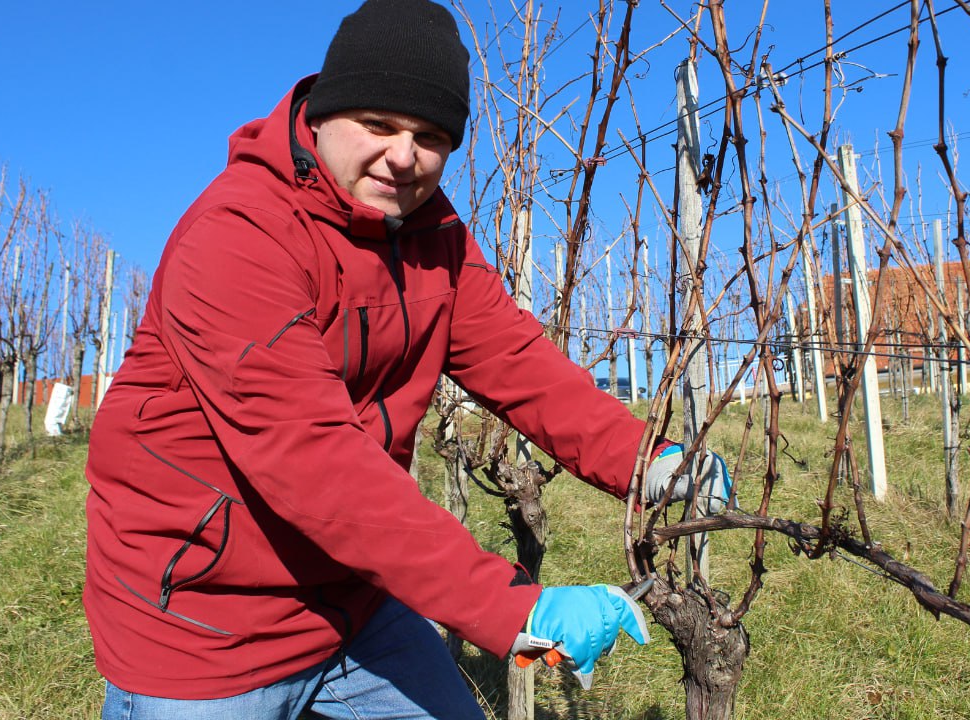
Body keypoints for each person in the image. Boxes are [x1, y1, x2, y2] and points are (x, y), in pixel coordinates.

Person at [83, 1, 729, 718]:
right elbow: (313, 461)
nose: (403, 155)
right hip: (205, 624)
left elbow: (520, 365)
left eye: (429, 136)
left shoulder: (433, 236)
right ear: (323, 113)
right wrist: (514, 608)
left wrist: (654, 461)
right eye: (379, 125)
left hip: (357, 599)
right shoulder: (238, 234)